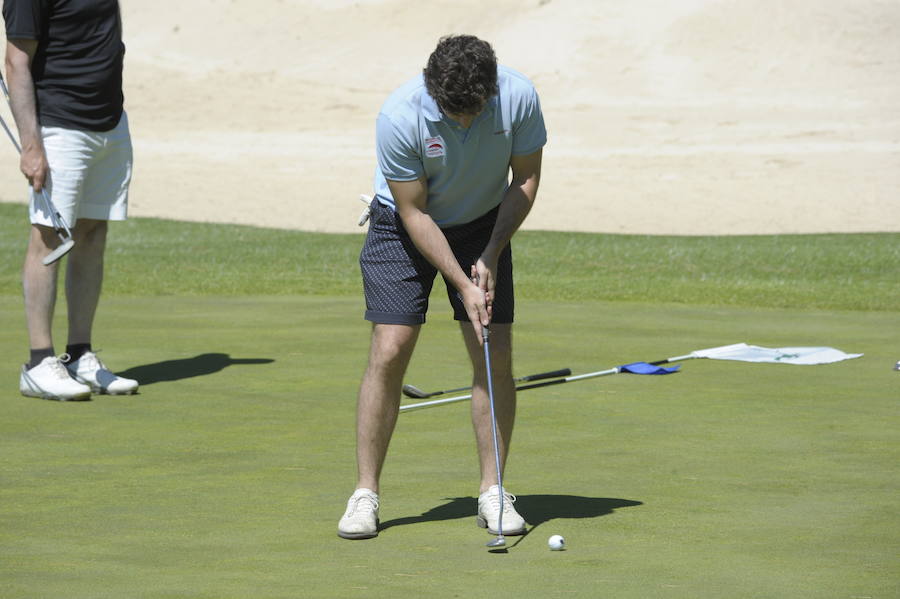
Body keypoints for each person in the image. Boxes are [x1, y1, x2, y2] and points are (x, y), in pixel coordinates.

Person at [338, 35, 546, 540]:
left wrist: (492, 252)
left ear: (491, 90)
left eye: (474, 110)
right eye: (454, 112)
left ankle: (493, 492)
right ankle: (365, 494)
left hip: (483, 222)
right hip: (402, 225)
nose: (465, 121)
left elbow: (525, 178)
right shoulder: (400, 115)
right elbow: (413, 210)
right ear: (434, 91)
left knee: (491, 350)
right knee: (391, 348)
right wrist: (462, 281)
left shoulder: (518, 96)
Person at [4, 0, 138, 400]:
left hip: (110, 122)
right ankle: (38, 363)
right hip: (60, 125)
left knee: (93, 232)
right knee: (48, 239)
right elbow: (15, 62)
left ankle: (79, 355)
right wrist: (31, 146)